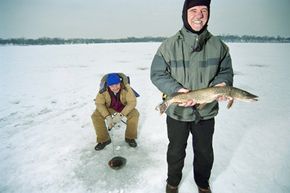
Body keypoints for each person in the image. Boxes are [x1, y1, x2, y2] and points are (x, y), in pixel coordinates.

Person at [150, 0, 234, 192]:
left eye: (204, 10)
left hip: (206, 112)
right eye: (194, 10)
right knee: (176, 151)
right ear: (185, 13)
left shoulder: (219, 46)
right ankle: (172, 183)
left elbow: (226, 72)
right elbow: (157, 74)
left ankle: (202, 184)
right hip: (178, 112)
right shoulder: (168, 45)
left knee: (204, 152)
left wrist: (223, 83)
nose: (199, 15)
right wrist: (176, 90)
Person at [91, 73, 139, 151]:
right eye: (112, 86)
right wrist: (108, 116)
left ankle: (130, 137)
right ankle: (104, 139)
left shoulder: (127, 88)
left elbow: (132, 102)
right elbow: (99, 103)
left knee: (135, 114)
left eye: (117, 84)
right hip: (109, 107)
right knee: (95, 116)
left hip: (124, 107)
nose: (115, 87)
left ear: (120, 83)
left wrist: (121, 115)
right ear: (108, 85)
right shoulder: (103, 90)